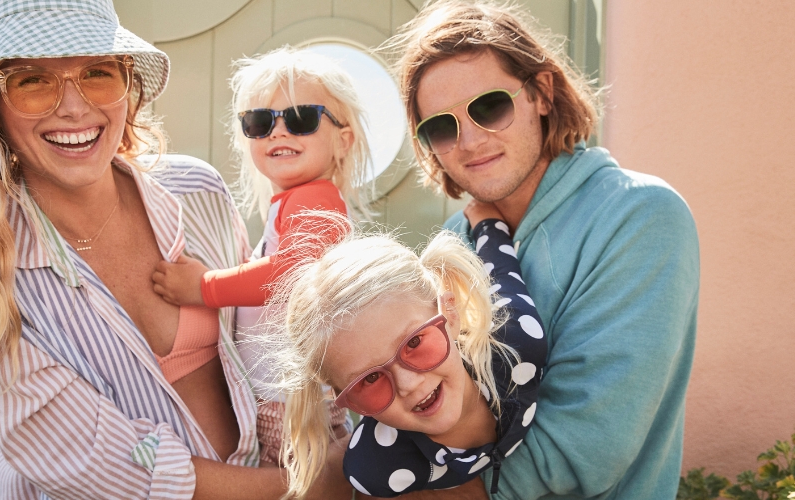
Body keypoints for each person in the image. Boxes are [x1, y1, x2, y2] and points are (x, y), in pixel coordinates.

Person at [0, 0, 348, 498]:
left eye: (98, 73)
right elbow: (99, 464)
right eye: (32, 80)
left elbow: (255, 346)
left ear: (129, 88)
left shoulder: (198, 191)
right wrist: (299, 486)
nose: (74, 107)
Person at [384, 1, 700, 498]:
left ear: (542, 95)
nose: (469, 141)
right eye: (441, 127)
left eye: (490, 106)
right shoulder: (452, 243)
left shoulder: (639, 216)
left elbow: (582, 451)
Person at [150, 47, 371, 464]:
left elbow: (292, 272)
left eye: (302, 118)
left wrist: (202, 285)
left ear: (343, 140)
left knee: (301, 482)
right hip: (283, 394)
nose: (278, 132)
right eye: (260, 122)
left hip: (296, 401)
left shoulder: (317, 200)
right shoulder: (295, 203)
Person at [260, 221, 546, 499]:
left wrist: (486, 222)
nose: (408, 384)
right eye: (370, 378)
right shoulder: (376, 467)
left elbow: (501, 272)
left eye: (415, 342)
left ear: (451, 314)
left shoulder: (518, 345)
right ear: (344, 398)